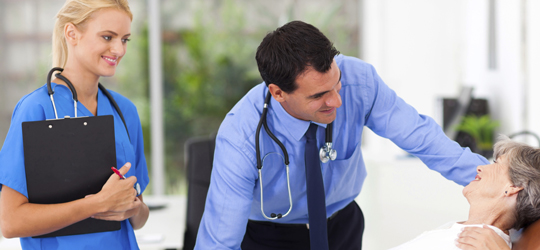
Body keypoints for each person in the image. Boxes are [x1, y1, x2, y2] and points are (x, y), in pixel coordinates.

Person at [194, 20, 490, 250]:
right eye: (319, 95)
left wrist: (493, 183)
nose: (336, 100)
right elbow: (220, 241)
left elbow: (423, 139)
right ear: (278, 92)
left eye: (336, 84)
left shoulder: (359, 81)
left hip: (343, 226)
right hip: (270, 239)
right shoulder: (241, 136)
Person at [0, 0, 150, 249]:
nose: (119, 49)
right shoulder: (35, 110)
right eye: (107, 37)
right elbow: (10, 222)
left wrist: (132, 208)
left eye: (124, 39)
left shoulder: (125, 111)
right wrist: (98, 204)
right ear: (72, 34)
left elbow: (140, 218)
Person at [392, 136, 540, 250]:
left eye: (496, 164)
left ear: (515, 185)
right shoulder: (465, 230)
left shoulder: (475, 243)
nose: (480, 167)